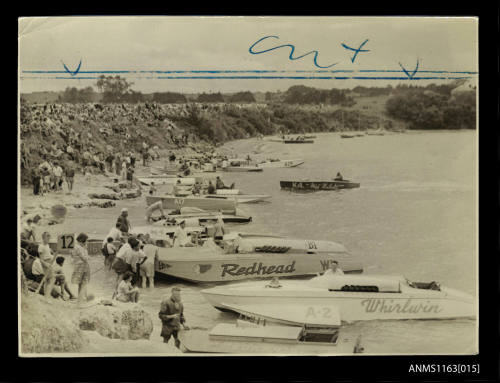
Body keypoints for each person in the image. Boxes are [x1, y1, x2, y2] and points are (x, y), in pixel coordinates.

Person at [70, 233, 91, 304]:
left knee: (81, 283)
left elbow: (72, 256)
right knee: (83, 283)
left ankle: (82, 297)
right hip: (81, 267)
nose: (86, 242)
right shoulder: (78, 248)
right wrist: (86, 252)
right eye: (86, 241)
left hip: (79, 267)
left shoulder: (76, 247)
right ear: (82, 240)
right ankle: (81, 299)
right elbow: (85, 258)